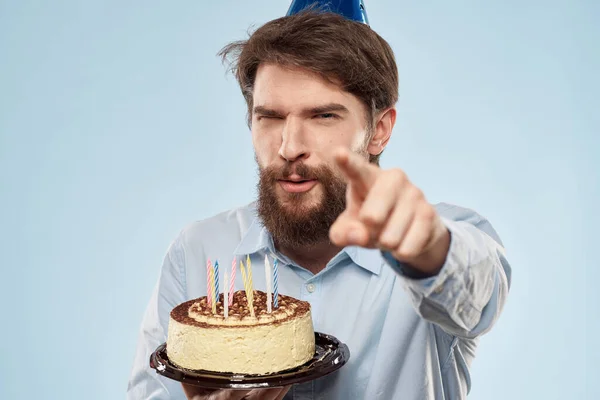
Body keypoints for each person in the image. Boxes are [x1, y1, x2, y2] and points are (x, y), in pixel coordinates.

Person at [126, 6, 512, 400]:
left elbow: (478, 292)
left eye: (323, 115)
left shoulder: (445, 236)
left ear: (379, 130)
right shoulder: (198, 250)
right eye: (270, 117)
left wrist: (427, 248)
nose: (290, 147)